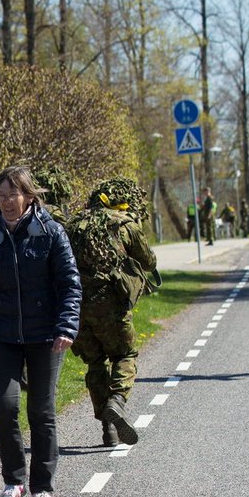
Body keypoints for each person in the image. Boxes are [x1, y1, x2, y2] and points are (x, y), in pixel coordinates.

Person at [0, 166, 81, 497]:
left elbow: (70, 284)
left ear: (28, 196)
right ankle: (13, 482)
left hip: (46, 336)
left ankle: (42, 487)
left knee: (41, 411)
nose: (6, 203)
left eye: (12, 195)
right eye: (1, 197)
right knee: (3, 406)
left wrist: (66, 327)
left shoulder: (51, 232)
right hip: (1, 335)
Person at [66, 177, 157, 447]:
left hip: (76, 304)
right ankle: (117, 401)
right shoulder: (124, 224)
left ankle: (109, 429)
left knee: (95, 363)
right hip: (110, 304)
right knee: (124, 354)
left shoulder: (73, 226)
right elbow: (149, 261)